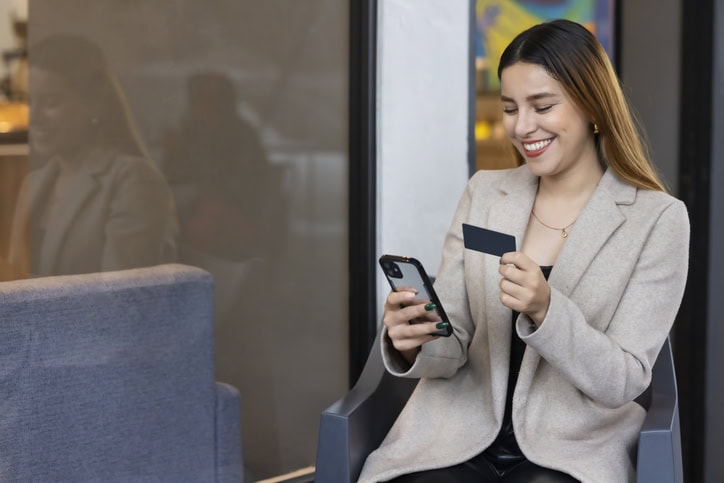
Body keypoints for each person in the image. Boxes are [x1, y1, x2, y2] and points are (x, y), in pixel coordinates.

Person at [359, 19, 689, 483]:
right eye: (511, 108)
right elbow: (452, 344)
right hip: (454, 436)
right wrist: (411, 339)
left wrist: (547, 308)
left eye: (543, 105)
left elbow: (624, 379)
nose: (522, 126)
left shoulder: (656, 219)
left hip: (572, 450)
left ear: (592, 105)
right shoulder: (485, 194)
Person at [4, 34, 177, 278]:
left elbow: (118, 299)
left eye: (51, 102)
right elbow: (16, 282)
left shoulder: (132, 180)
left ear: (95, 105)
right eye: (31, 102)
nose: (34, 119)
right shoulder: (33, 184)